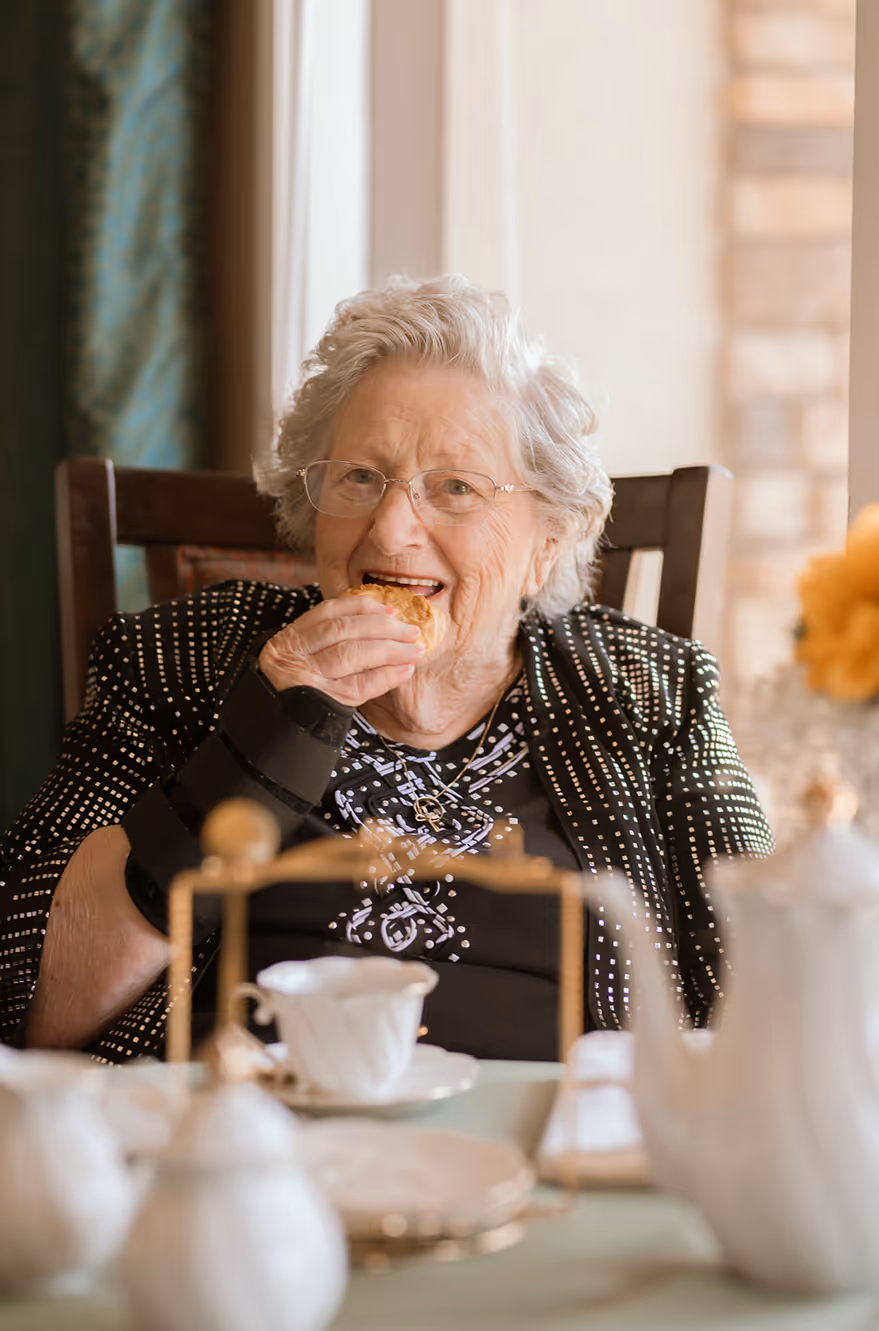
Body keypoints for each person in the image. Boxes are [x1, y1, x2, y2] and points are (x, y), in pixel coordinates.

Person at [0, 275, 772, 1064]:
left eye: (457, 487)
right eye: (360, 477)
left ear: (546, 542)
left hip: (554, 1155)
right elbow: (26, 1001)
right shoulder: (182, 657)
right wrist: (270, 737)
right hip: (253, 1153)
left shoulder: (652, 691)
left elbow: (770, 993)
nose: (392, 530)